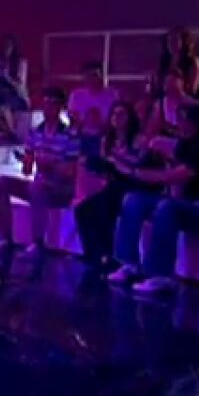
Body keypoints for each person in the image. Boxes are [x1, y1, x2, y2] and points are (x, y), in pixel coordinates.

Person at [107, 105, 199, 295]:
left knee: (167, 207)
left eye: (185, 120)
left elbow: (176, 176)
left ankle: (160, 275)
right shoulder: (185, 145)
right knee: (133, 200)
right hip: (188, 204)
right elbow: (176, 184)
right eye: (180, 120)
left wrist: (133, 172)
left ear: (197, 123)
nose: (181, 124)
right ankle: (129, 264)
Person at [73, 101, 158, 270]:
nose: (117, 118)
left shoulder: (139, 140)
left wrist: (116, 161)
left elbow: (137, 165)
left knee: (106, 206)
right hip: (114, 184)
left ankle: (110, 254)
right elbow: (106, 168)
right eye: (114, 114)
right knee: (82, 209)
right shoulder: (107, 141)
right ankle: (93, 254)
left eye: (121, 114)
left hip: (133, 185)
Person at [0, 87, 79, 255]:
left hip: (61, 188)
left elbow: (71, 172)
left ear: (60, 107)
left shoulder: (70, 135)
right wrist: (27, 162)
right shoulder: (35, 133)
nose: (49, 108)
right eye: (46, 103)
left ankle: (38, 243)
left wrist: (50, 163)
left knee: (37, 187)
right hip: (40, 183)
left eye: (53, 104)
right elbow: (27, 171)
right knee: (1, 182)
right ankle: (5, 238)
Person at [68, 60, 118, 142]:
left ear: (102, 75)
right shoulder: (76, 95)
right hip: (80, 138)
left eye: (94, 75)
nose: (91, 78)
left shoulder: (113, 96)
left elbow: (116, 121)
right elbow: (73, 118)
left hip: (106, 138)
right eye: (88, 75)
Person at [144, 68, 199, 139]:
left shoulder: (192, 104)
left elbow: (193, 131)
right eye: (167, 82)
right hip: (164, 141)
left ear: (182, 83)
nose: (169, 85)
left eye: (172, 81)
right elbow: (152, 127)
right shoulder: (160, 104)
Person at [156, 27, 199, 96]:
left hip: (185, 98)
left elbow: (193, 88)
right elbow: (161, 83)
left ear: (184, 41)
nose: (171, 43)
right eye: (169, 40)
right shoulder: (166, 60)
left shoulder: (193, 61)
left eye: (175, 40)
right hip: (167, 98)